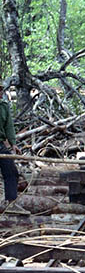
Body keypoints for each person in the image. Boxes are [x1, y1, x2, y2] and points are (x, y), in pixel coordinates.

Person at [0, 83, 26, 215]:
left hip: (0, 145)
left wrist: (13, 143)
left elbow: (9, 126)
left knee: (11, 172)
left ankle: (11, 203)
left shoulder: (3, 106)